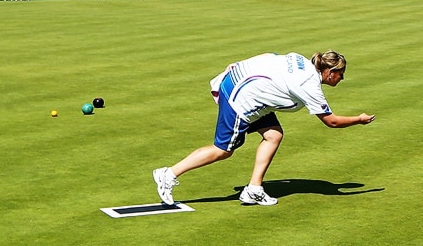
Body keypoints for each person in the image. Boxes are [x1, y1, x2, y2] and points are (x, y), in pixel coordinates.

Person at [152, 50, 375, 206]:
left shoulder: (300, 60)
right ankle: (168, 174)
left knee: (273, 135)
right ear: (329, 72)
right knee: (223, 149)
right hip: (240, 98)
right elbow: (331, 121)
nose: (342, 78)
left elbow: (269, 56)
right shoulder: (309, 85)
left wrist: (238, 64)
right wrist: (360, 119)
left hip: (242, 83)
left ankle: (254, 189)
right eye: (340, 74)